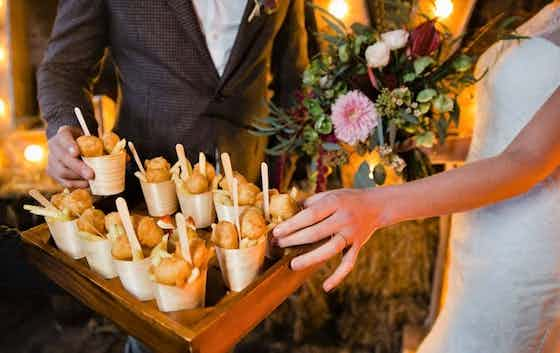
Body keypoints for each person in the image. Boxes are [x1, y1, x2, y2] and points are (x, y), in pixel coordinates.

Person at [273, 1, 560, 352]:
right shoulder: (549, 12)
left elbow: (528, 161)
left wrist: (373, 207)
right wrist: (444, 149)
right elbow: (516, 133)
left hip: (523, 244)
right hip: (480, 228)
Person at [39, 0, 308, 189]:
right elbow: (65, 68)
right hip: (144, 189)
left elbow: (294, 78)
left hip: (250, 182)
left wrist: (279, 172)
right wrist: (66, 128)